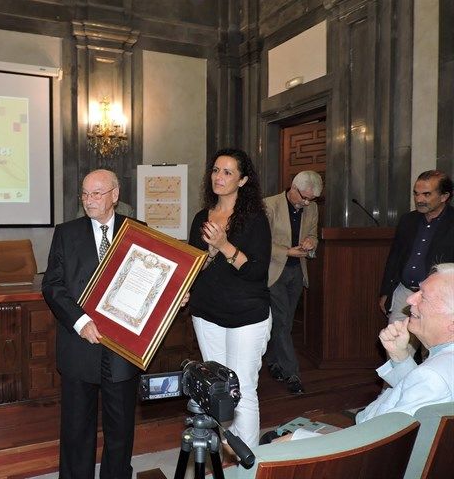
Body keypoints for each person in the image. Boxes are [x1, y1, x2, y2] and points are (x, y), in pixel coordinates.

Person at [270, 262, 454, 442]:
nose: (410, 299)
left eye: (424, 297)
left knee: (276, 440)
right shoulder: (441, 366)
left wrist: (297, 439)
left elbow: (380, 442)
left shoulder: (432, 376)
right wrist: (400, 356)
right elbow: (415, 392)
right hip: (369, 436)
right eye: (417, 291)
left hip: (367, 448)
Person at [42, 169, 140, 479]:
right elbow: (52, 286)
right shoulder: (66, 233)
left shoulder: (138, 232)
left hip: (123, 349)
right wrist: (80, 321)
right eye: (85, 194)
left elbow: (154, 283)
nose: (88, 200)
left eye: (96, 193)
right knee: (76, 429)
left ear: (115, 195)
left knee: (120, 430)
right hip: (79, 344)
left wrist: (174, 296)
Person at [188, 148, 272, 449]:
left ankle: (247, 464)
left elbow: (256, 272)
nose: (218, 177)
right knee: (217, 388)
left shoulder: (255, 219)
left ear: (243, 180)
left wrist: (224, 245)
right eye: (215, 170)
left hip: (246, 316)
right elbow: (194, 267)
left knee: (241, 390)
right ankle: (223, 451)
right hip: (206, 313)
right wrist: (210, 253)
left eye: (227, 172)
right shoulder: (202, 217)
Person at [263, 171, 323, 394]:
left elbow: (313, 235)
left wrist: (311, 242)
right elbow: (261, 243)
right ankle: (292, 374)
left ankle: (273, 362)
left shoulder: (312, 208)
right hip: (273, 271)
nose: (307, 203)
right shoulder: (269, 205)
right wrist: (287, 251)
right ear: (293, 187)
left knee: (284, 322)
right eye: (304, 197)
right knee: (282, 319)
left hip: (297, 271)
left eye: (311, 199)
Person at [379, 170, 454, 324]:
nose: (419, 199)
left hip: (439, 297)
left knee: (431, 339)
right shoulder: (408, 220)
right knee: (395, 337)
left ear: (444, 196)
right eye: (416, 193)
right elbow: (394, 257)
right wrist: (386, 292)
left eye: (426, 194)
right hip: (404, 292)